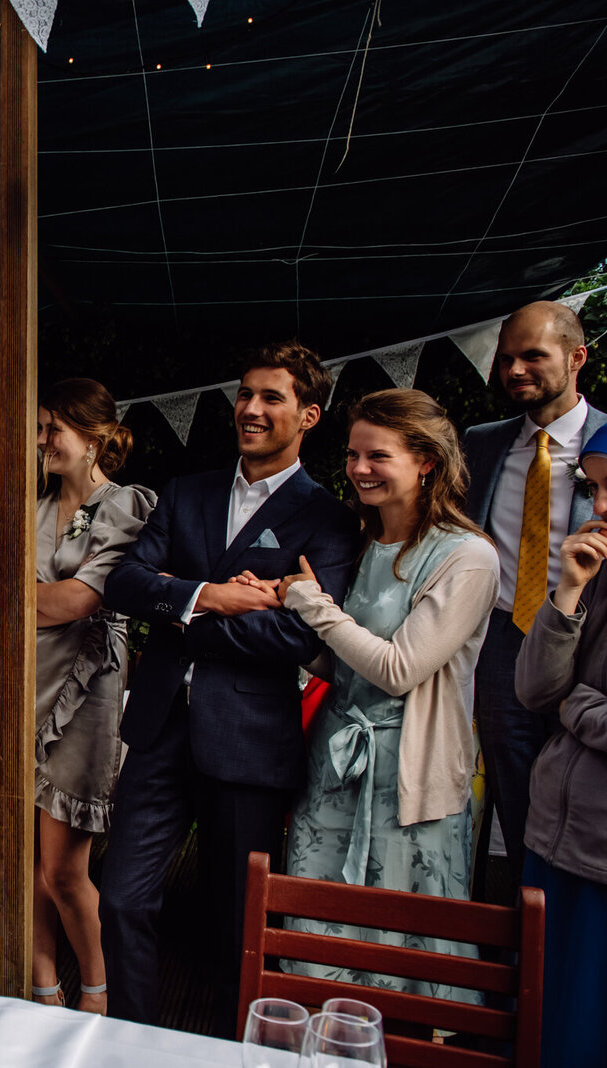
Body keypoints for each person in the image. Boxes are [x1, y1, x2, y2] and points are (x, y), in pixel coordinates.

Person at [101, 341, 359, 1034]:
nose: (249, 408)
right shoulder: (188, 490)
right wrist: (209, 597)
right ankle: (128, 1041)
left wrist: (176, 608)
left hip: (249, 743)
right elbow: (124, 584)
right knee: (122, 899)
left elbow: (298, 639)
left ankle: (226, 1048)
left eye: (271, 397)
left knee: (232, 924)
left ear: (308, 416)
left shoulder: (327, 518)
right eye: (245, 393)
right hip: (158, 728)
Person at [256, 390, 498, 997]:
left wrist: (311, 605)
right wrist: (278, 609)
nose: (359, 469)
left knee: (400, 941)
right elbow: (341, 663)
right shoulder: (361, 546)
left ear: (427, 462)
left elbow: (397, 669)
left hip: (407, 778)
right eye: (354, 454)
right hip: (335, 763)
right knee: (321, 925)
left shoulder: (467, 557)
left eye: (378, 456)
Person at [0, 378, 156, 1013]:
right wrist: (48, 601)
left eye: (54, 427)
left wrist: (40, 600)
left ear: (96, 437)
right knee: (24, 861)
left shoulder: (126, 505)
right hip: (21, 681)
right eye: (39, 427)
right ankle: (43, 988)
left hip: (86, 690)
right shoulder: (19, 508)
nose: (42, 439)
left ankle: (98, 992)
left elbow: (88, 600)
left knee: (63, 868)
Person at [465, 300, 605, 862]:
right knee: (512, 789)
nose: (515, 370)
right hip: (502, 640)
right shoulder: (481, 442)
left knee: (586, 786)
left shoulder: (605, 444)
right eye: (505, 359)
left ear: (577, 358)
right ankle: (526, 924)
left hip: (588, 640)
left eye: (532, 356)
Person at [514, 424, 607, 1065]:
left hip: (603, 860)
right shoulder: (596, 568)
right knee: (541, 1027)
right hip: (552, 838)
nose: (599, 510)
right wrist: (568, 593)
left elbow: (559, 698)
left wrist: (573, 701)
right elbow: (531, 688)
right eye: (595, 489)